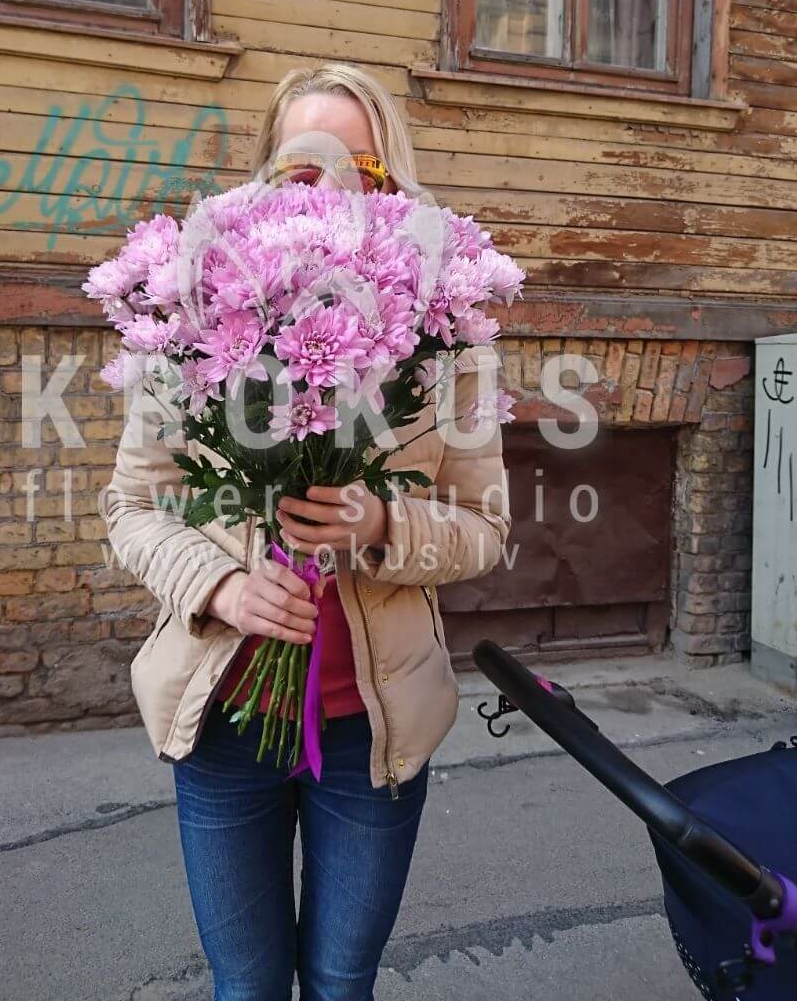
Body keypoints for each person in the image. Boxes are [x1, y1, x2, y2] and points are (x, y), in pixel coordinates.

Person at [99, 61, 512, 1000]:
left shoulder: (448, 336)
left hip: (372, 733)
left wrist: (380, 523)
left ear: (391, 179)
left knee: (339, 982)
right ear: (261, 182)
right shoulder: (193, 316)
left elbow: (485, 529)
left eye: (356, 167)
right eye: (299, 168)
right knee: (247, 990)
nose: (325, 188)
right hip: (224, 724)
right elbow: (132, 507)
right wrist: (220, 586)